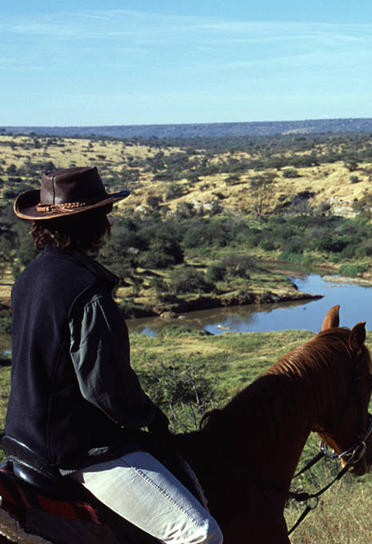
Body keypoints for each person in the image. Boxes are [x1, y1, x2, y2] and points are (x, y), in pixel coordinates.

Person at [2, 167, 222, 544]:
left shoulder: (29, 277)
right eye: (103, 215)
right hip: (77, 452)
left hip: (23, 439)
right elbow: (104, 389)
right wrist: (148, 415)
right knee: (200, 535)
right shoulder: (88, 291)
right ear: (93, 224)